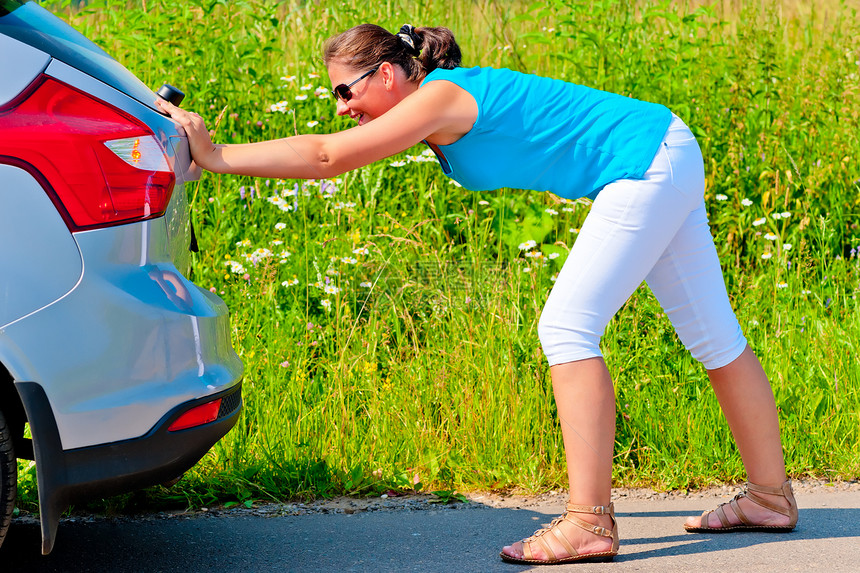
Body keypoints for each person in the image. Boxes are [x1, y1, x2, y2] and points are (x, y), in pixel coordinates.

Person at [157, 23, 798, 565]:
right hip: (660, 150)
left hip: (644, 160)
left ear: (386, 74)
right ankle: (769, 498)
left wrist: (216, 155)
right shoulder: (429, 116)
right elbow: (332, 145)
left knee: (567, 328)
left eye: (345, 91)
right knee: (711, 336)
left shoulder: (442, 95)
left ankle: (589, 523)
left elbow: (328, 155)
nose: (341, 106)